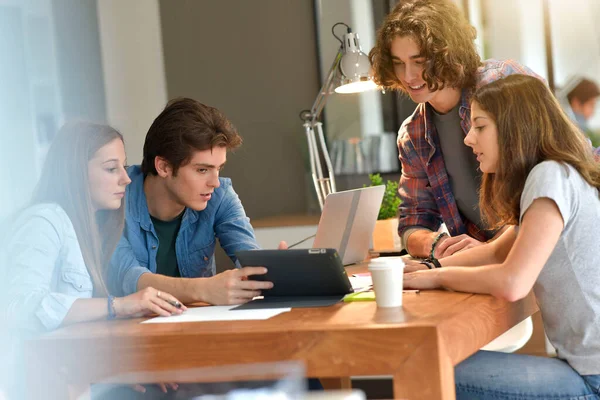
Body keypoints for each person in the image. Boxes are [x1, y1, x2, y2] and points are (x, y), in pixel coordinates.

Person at [403, 74, 600, 398]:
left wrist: (436, 279)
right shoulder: (557, 171)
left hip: (592, 379)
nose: (468, 139)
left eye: (480, 127)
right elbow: (497, 252)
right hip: (587, 369)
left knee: (423, 363)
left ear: (514, 129)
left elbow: (513, 282)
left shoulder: (548, 176)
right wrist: (430, 268)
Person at [0, 122, 185, 399]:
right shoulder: (43, 221)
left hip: (77, 379)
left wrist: (123, 367)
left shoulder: (91, 230)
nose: (126, 178)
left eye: (123, 167)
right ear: (74, 173)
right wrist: (119, 306)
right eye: (112, 169)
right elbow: (16, 306)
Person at [368, 0, 542, 260]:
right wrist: (437, 244)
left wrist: (489, 252)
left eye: (419, 61)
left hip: (544, 251)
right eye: (398, 63)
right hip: (488, 265)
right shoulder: (414, 134)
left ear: (446, 54)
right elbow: (413, 222)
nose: (409, 75)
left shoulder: (502, 82)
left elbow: (552, 183)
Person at [109, 98, 286, 305]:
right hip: (131, 332)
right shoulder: (116, 195)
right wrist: (205, 289)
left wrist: (267, 271)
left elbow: (248, 254)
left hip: (194, 327)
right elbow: (129, 278)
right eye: (202, 170)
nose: (215, 182)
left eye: (218, 168)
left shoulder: (220, 196)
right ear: (164, 167)